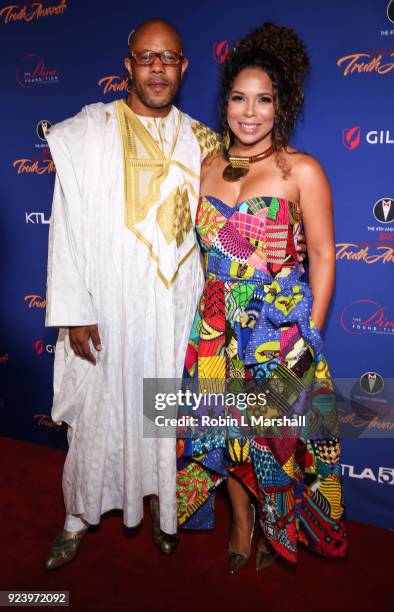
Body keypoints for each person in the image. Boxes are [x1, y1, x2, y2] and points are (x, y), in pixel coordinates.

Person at [43, 18, 224, 570]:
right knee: (101, 414)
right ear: (128, 65)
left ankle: (166, 512)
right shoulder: (87, 133)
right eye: (146, 57)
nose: (157, 68)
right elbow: (65, 225)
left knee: (165, 412)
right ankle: (78, 516)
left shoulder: (204, 141)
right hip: (109, 306)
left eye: (168, 57)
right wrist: (75, 310)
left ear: (184, 66)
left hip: (175, 308)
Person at [176, 22, 348, 573]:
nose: (249, 112)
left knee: (275, 437)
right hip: (215, 325)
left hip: (279, 330)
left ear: (281, 105)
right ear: (224, 102)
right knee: (221, 431)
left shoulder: (301, 170)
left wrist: (309, 338)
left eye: (263, 99)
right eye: (238, 98)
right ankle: (242, 524)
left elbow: (321, 256)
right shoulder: (203, 169)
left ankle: (277, 525)